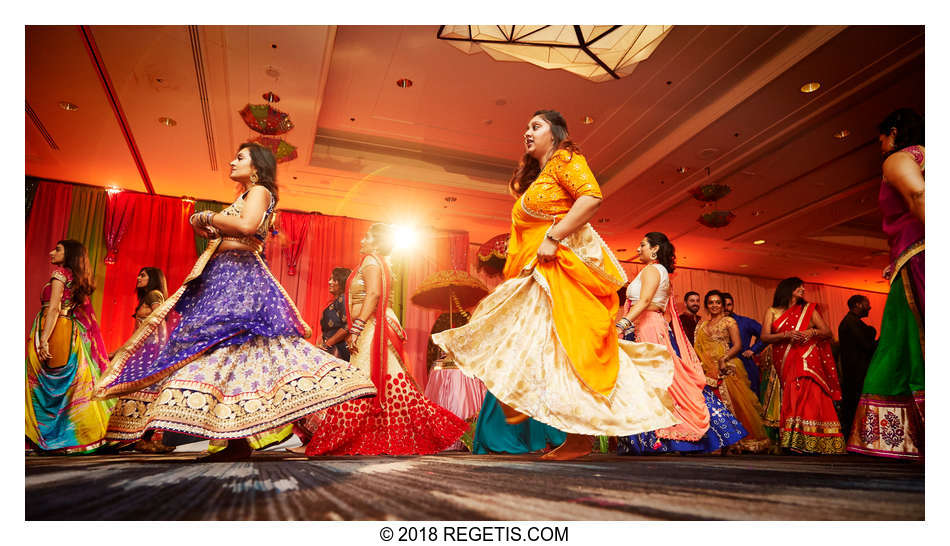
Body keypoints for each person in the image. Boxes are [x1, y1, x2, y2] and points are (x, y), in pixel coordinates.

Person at [96, 143, 376, 461]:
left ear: (256, 166)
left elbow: (247, 226)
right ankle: (234, 438)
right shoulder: (246, 194)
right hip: (224, 276)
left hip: (240, 278)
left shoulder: (259, 191)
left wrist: (207, 216)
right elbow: (235, 229)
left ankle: (265, 426)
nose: (232, 161)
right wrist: (210, 226)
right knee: (228, 354)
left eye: (240, 157)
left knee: (242, 350)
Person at [433, 109, 679, 460]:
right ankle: (524, 407)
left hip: (557, 270)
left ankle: (579, 437)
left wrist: (554, 235)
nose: (527, 132)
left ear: (557, 133)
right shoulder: (542, 175)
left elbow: (591, 197)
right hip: (535, 271)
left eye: (536, 126)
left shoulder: (567, 158)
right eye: (526, 127)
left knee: (569, 350)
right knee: (521, 340)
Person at [291, 223, 468, 455]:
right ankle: (390, 434)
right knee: (387, 384)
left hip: (372, 328)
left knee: (366, 383)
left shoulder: (372, 262)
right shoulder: (373, 262)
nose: (363, 240)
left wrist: (357, 327)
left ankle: (435, 434)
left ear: (377, 242)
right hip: (371, 326)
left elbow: (373, 294)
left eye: (367, 237)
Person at [615, 233, 746, 455]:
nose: (638, 249)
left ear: (655, 249)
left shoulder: (652, 270)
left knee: (656, 383)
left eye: (642, 245)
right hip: (642, 326)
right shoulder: (656, 271)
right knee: (653, 382)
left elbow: (645, 301)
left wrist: (621, 324)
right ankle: (650, 440)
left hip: (645, 327)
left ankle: (660, 440)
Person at [848, 108, 924, 460]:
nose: (880, 145)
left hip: (920, 256)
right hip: (910, 256)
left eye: (881, 138)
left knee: (904, 344)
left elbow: (918, 196)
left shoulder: (900, 158)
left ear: (893, 132)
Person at [26, 240, 116, 454]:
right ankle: (81, 436)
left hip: (55, 329)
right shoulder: (76, 279)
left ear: (70, 254)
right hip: (71, 334)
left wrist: (44, 339)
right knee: (72, 386)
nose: (51, 251)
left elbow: (55, 308)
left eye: (57, 249)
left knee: (38, 383)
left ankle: (47, 437)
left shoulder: (59, 275)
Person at [759, 278, 845, 454]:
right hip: (785, 358)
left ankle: (818, 439)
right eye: (799, 286)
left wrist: (811, 332)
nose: (803, 289)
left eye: (803, 286)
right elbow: (765, 337)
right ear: (787, 289)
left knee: (811, 393)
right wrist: (786, 334)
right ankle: (795, 440)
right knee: (794, 394)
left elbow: (827, 332)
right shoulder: (772, 311)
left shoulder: (808, 310)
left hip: (807, 357)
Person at [693, 290, 771, 453]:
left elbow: (737, 345)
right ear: (707, 305)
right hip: (706, 370)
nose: (714, 305)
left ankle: (737, 441)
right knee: (709, 406)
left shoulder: (729, 322)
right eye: (711, 302)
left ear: (722, 305)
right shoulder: (702, 325)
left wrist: (723, 359)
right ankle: (717, 441)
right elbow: (698, 348)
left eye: (717, 302)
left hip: (726, 366)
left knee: (735, 404)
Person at [837, 295, 877, 440]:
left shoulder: (852, 322)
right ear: (858, 305)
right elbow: (866, 345)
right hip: (855, 373)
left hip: (855, 372)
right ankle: (853, 440)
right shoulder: (851, 322)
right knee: (853, 407)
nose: (870, 307)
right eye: (868, 304)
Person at [721, 292, 766, 394]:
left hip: (745, 365)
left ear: (733, 305)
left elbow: (765, 334)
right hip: (723, 366)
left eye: (729, 305)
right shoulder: (715, 325)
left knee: (751, 399)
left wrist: (753, 349)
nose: (726, 308)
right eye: (723, 305)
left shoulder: (744, 322)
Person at [319, 267, 352, 360]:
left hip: (338, 350)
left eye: (334, 280)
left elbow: (347, 326)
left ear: (343, 282)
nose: (330, 282)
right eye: (330, 279)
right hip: (330, 347)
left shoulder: (343, 299)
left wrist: (328, 343)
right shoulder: (335, 301)